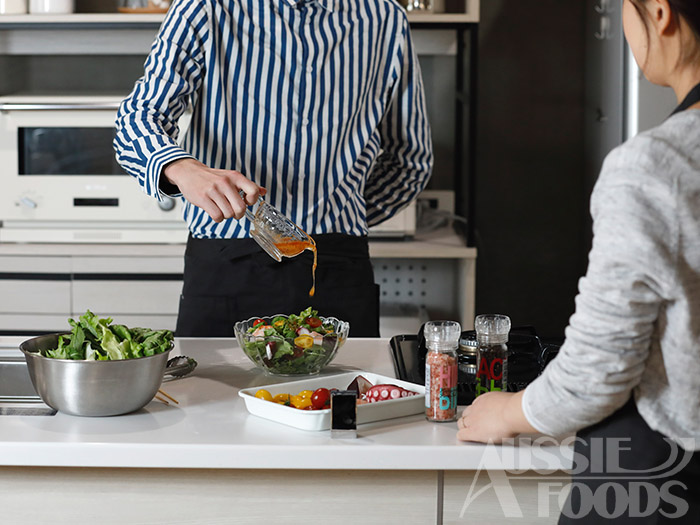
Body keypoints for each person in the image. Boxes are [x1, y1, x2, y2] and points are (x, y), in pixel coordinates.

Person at [458, 0, 700, 522]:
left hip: (667, 476)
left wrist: (508, 411)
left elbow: (599, 371)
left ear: (659, 13)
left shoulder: (658, 165)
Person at [113, 0, 433, 337]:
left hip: (339, 268)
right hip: (227, 261)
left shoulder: (384, 17)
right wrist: (181, 167)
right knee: (209, 390)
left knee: (345, 391)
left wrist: (345, 212)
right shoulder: (204, 7)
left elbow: (409, 161)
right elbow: (139, 117)